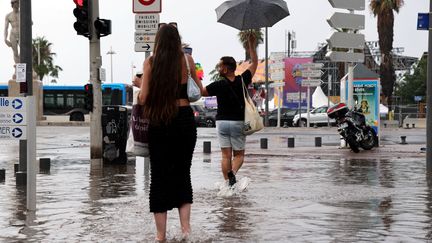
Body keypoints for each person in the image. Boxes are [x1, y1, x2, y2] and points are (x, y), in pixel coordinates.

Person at [137, 23, 204, 241]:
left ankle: (160, 236)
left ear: (158, 40)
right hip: (184, 120)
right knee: (183, 174)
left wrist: (139, 85)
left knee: (159, 177)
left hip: (160, 121)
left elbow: (144, 98)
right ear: (177, 40)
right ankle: (186, 231)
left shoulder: (151, 62)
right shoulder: (187, 60)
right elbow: (198, 91)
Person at [202, 34, 258, 187]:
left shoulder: (218, 85)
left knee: (225, 155)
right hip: (238, 122)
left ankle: (228, 185)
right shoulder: (242, 80)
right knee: (239, 155)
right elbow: (254, 64)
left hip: (221, 123)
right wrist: (252, 46)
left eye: (220, 66)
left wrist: (196, 74)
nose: (219, 68)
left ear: (226, 68)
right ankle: (232, 174)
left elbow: (201, 92)